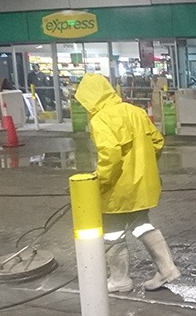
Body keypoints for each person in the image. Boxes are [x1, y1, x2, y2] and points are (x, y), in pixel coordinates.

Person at [74, 73, 181, 292]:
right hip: (142, 187)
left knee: (113, 232)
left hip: (118, 190)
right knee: (142, 224)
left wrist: (99, 182)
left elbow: (110, 155)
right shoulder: (135, 111)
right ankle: (167, 269)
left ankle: (120, 280)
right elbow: (157, 142)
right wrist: (144, 167)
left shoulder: (100, 119)